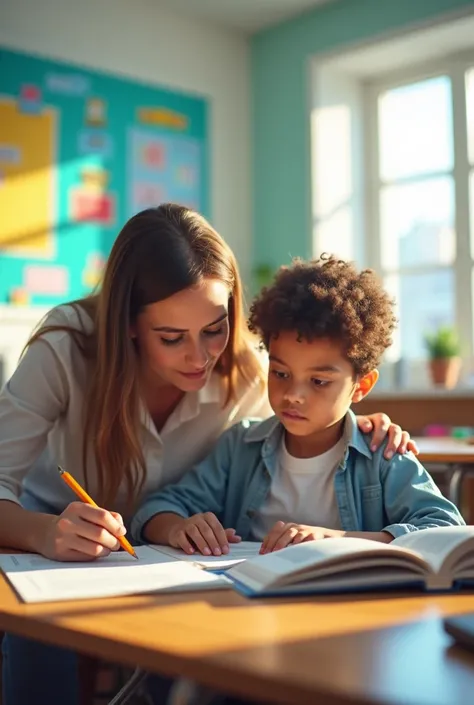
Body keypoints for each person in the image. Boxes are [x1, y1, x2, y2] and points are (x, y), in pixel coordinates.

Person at [0, 206, 416, 705]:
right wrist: (45, 531)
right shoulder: (66, 347)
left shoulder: (243, 373)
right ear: (128, 324)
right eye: (171, 338)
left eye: (214, 329)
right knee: (39, 639)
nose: (200, 358)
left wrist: (365, 423)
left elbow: (303, 419)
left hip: (162, 566)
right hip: (47, 553)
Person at [135, 255, 463, 558]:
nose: (293, 395)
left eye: (319, 381)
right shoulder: (240, 447)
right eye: (280, 373)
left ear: (361, 386)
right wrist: (177, 527)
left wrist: (340, 540)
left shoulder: (383, 453)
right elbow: (158, 508)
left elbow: (447, 530)